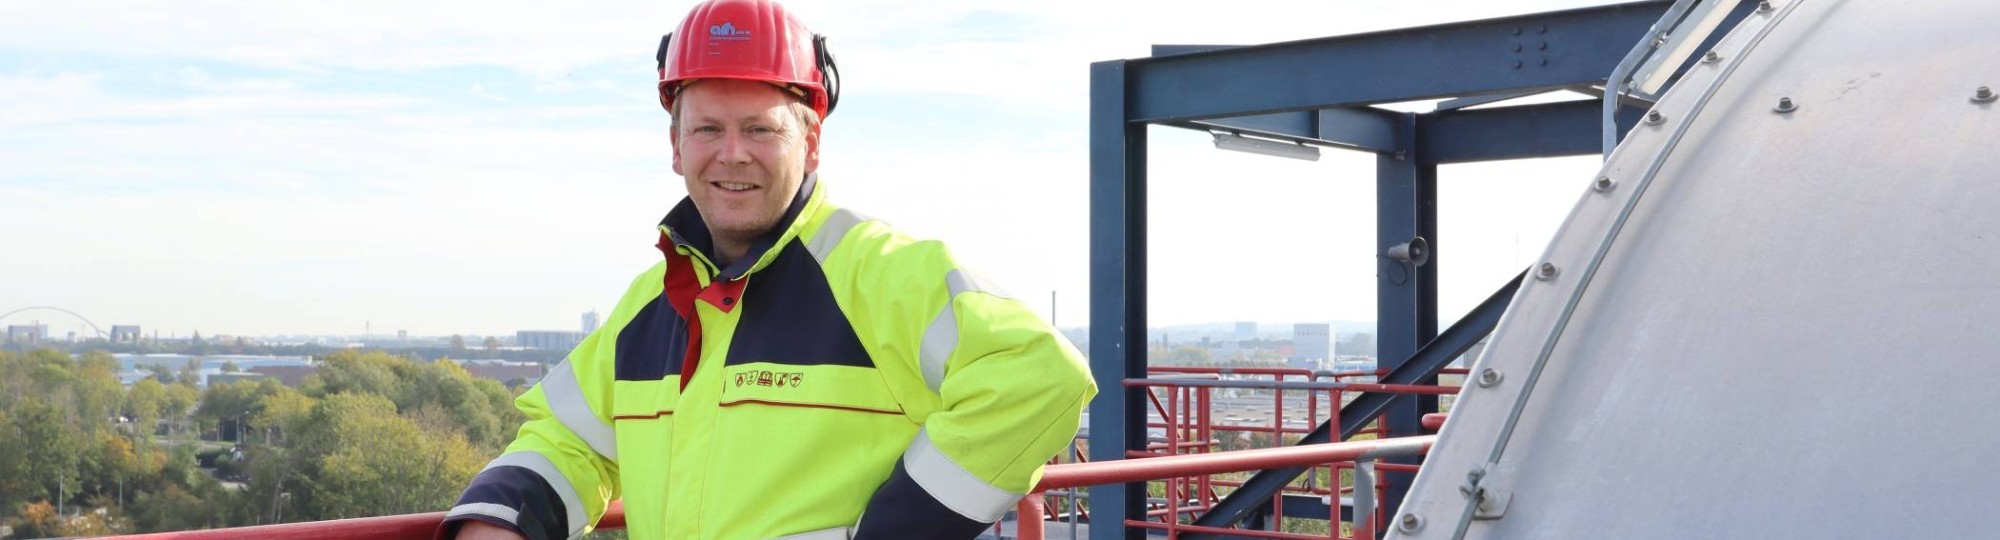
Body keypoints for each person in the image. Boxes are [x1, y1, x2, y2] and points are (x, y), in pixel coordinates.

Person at [439, 0, 1095, 538]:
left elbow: (1040, 378)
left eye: (759, 129)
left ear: (810, 142)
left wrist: (897, 531)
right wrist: (498, 522)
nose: (732, 155)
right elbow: (568, 440)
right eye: (706, 130)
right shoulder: (653, 304)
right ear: (675, 146)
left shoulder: (877, 274)